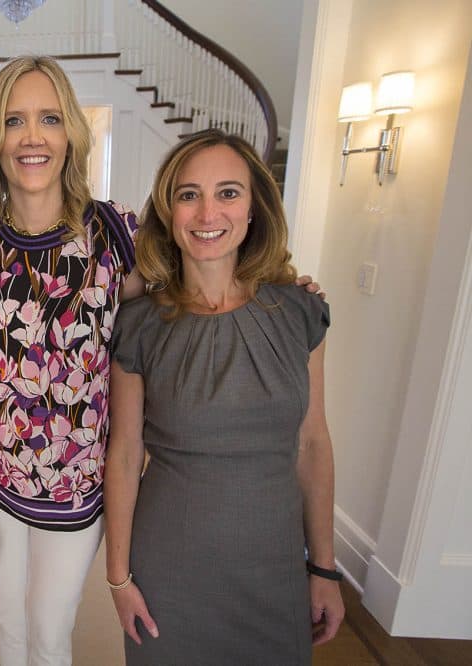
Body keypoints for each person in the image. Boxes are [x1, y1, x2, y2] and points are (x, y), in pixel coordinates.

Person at [105, 128, 344, 664]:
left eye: (228, 193)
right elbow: (122, 456)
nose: (208, 213)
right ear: (169, 211)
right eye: (189, 195)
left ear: (255, 207)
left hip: (273, 566)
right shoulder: (141, 324)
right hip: (170, 569)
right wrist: (118, 579)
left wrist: (324, 568)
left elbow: (312, 444)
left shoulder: (300, 313)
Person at [0, 55, 145, 665]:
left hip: (75, 483)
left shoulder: (114, 233)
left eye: (49, 118)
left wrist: (279, 284)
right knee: (6, 627)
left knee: (48, 633)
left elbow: (173, 319)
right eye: (15, 121)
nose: (32, 137)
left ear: (70, 131)